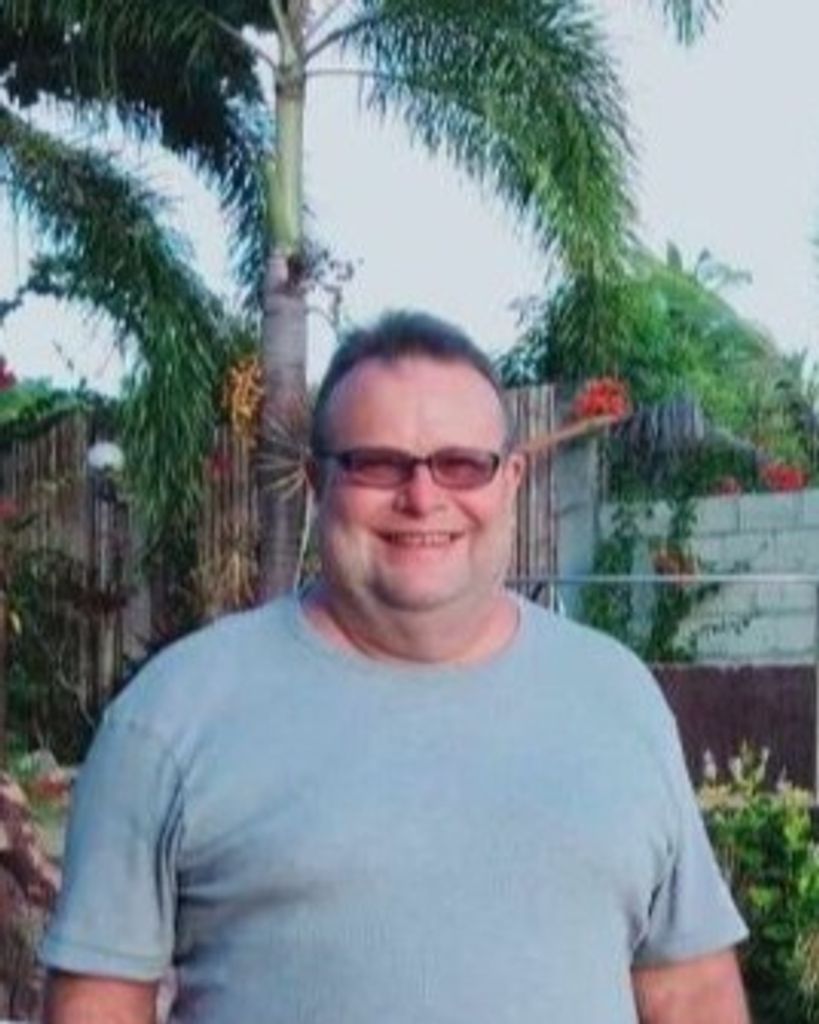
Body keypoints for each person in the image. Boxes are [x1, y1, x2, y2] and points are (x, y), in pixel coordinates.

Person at [41, 311, 749, 1023]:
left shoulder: (616, 697)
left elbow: (689, 992)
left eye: (461, 464)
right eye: (378, 463)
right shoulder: (171, 718)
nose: (422, 497)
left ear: (510, 481)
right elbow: (97, 1006)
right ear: (316, 483)